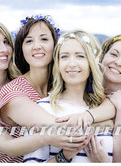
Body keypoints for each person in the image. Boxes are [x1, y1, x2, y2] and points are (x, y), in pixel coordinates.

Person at [0, 19, 79, 163]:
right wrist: (48, 137)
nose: (3, 49)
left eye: (6, 42)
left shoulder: (16, 77)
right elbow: (6, 145)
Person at [0, 16, 115, 162]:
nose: (37, 46)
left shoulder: (64, 81)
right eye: (29, 40)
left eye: (44, 39)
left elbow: (110, 101)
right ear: (21, 48)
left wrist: (91, 116)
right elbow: (60, 128)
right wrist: (107, 123)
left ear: (55, 45)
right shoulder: (14, 92)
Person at [23, 30, 114, 163]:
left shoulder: (105, 110)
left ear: (91, 63)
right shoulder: (42, 108)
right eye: (64, 56)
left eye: (80, 56)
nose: (71, 64)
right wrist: (64, 156)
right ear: (58, 64)